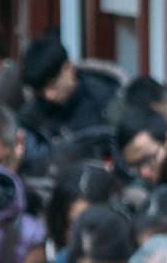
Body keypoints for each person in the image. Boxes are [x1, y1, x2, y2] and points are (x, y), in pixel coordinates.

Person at [17, 33, 115, 168]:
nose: (49, 96)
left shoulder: (106, 100)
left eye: (53, 85)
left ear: (69, 68)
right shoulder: (30, 117)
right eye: (41, 92)